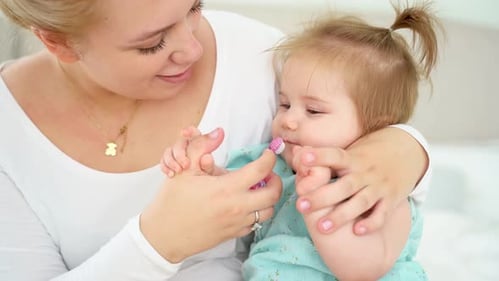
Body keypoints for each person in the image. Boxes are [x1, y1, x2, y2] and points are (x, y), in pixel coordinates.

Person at [0, 0, 430, 280]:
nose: (192, 47)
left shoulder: (263, 55)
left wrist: (404, 147)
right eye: (153, 43)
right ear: (58, 42)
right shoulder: (10, 138)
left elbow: (365, 126)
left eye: (195, 7)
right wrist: (161, 236)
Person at [161, 1, 440, 280]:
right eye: (284, 104)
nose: (289, 121)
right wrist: (205, 172)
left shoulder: (378, 188)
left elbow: (365, 269)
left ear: (376, 126)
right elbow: (232, 208)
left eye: (314, 111)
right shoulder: (277, 170)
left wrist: (319, 207)